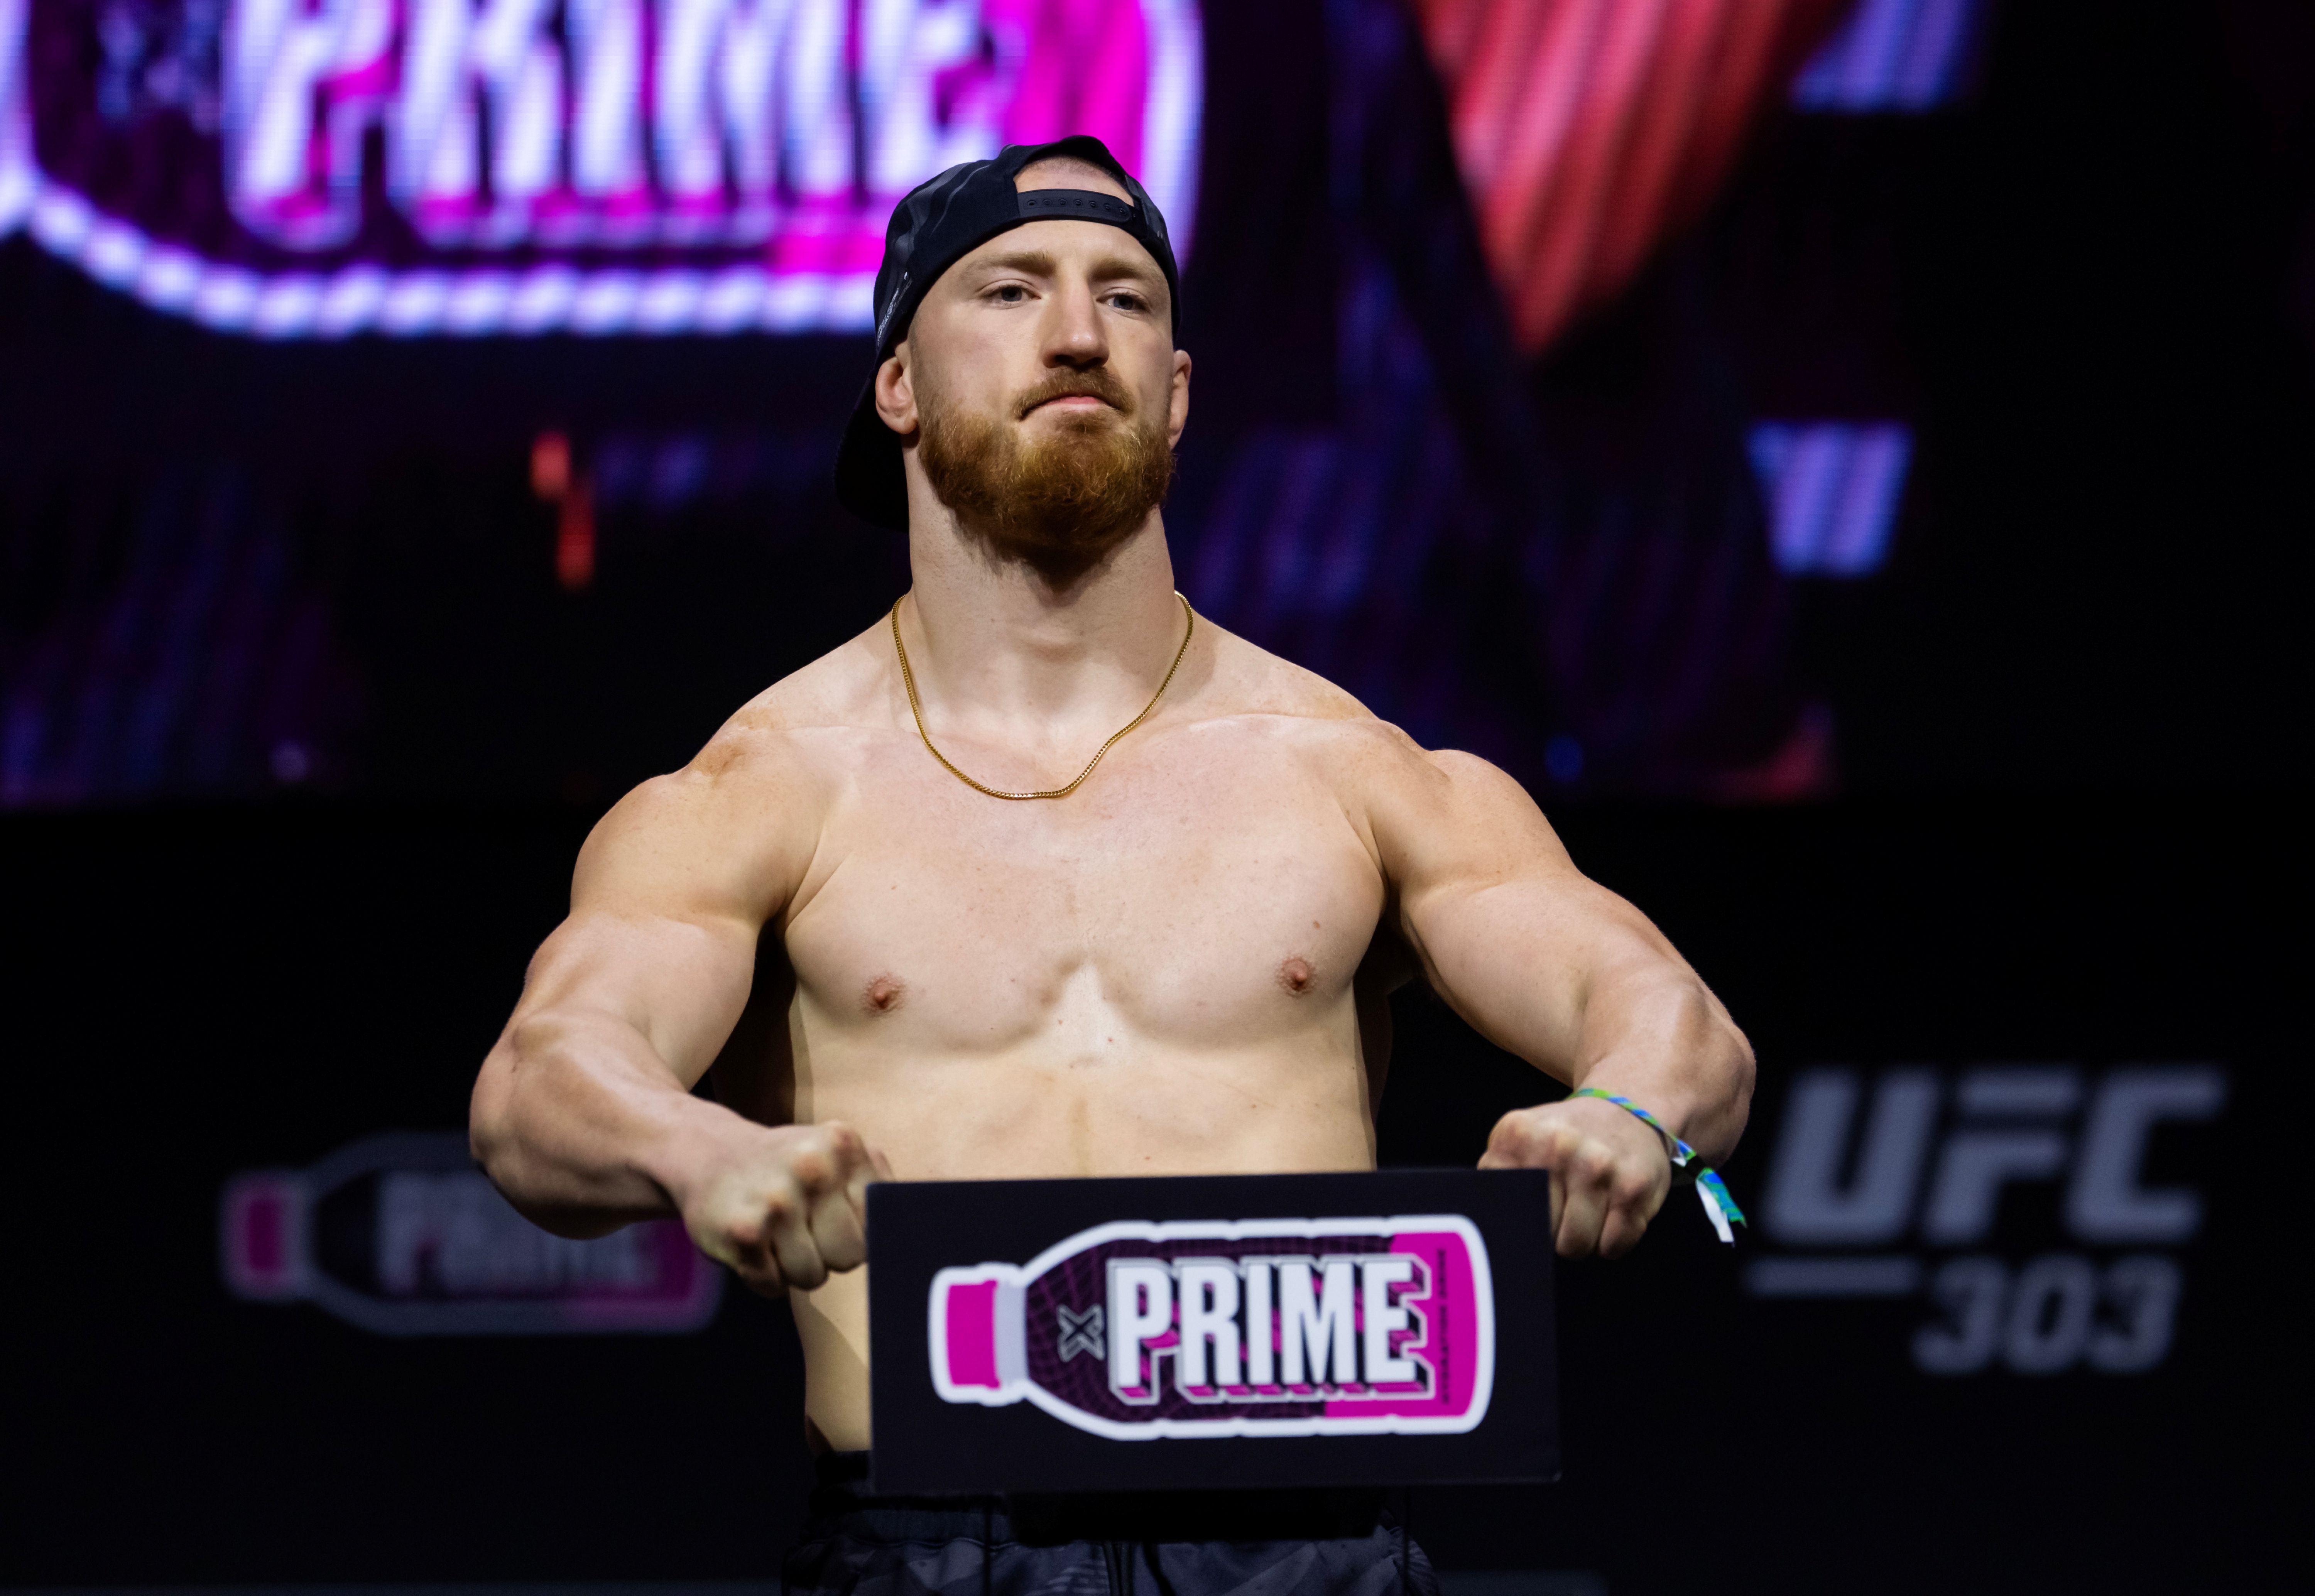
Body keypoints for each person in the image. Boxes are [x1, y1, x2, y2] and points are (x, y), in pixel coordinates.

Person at [470, 136, 1754, 1596]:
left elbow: (1667, 1012)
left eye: (1129, 299)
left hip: (1308, 1552)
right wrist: (699, 1147)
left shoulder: (1345, 767)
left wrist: (1632, 1112)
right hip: (933, 1548)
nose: (1080, 334)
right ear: (896, 383)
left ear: (1183, 391)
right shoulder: (766, 788)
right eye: (1012, 291)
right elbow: (537, 1089)